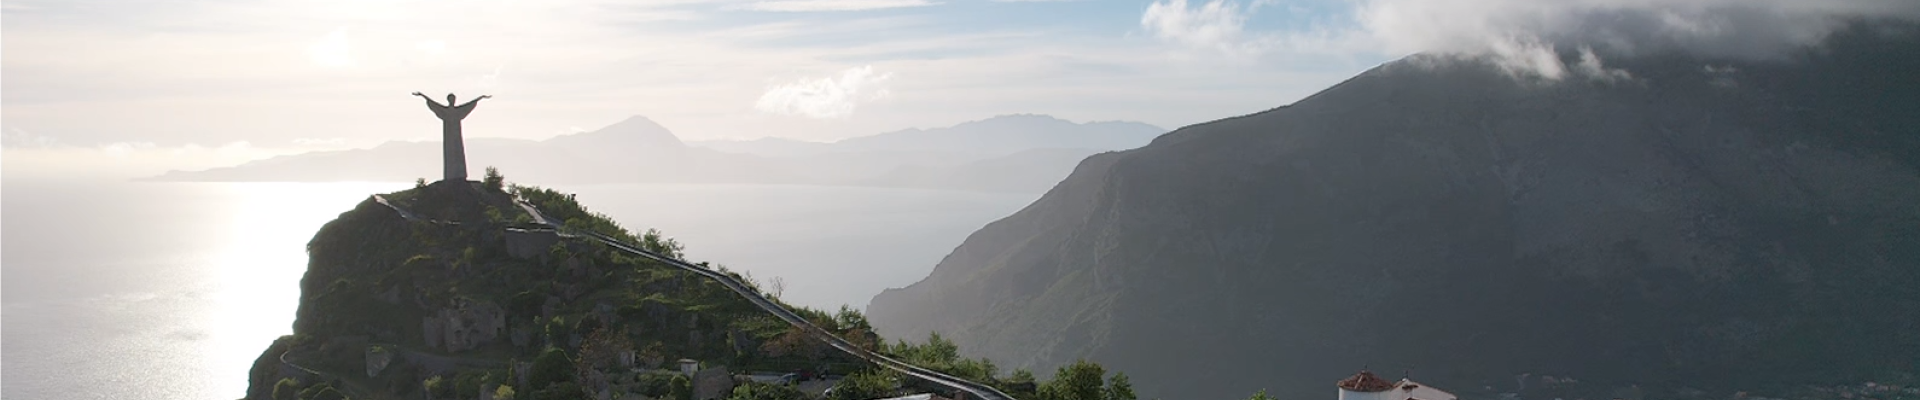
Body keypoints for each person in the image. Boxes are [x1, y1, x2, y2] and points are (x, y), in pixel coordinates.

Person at [411, 92, 491, 181]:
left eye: (454, 99)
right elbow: (434, 104)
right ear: (448, 100)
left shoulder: (457, 111)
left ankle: (460, 174)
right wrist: (423, 96)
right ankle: (451, 175)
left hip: (456, 135)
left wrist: (480, 98)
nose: (453, 101)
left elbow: (468, 105)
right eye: (451, 99)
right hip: (449, 135)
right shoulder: (445, 111)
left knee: (458, 152)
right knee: (450, 154)